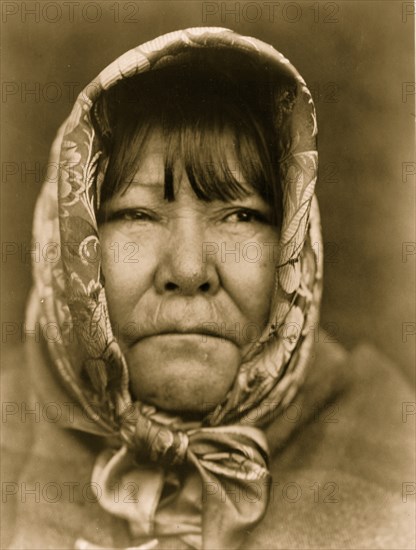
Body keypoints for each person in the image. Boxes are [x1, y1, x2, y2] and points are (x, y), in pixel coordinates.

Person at [1, 27, 414, 550]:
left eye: (241, 214)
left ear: (294, 250)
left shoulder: (392, 451)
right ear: (70, 248)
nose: (191, 268)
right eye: (137, 213)